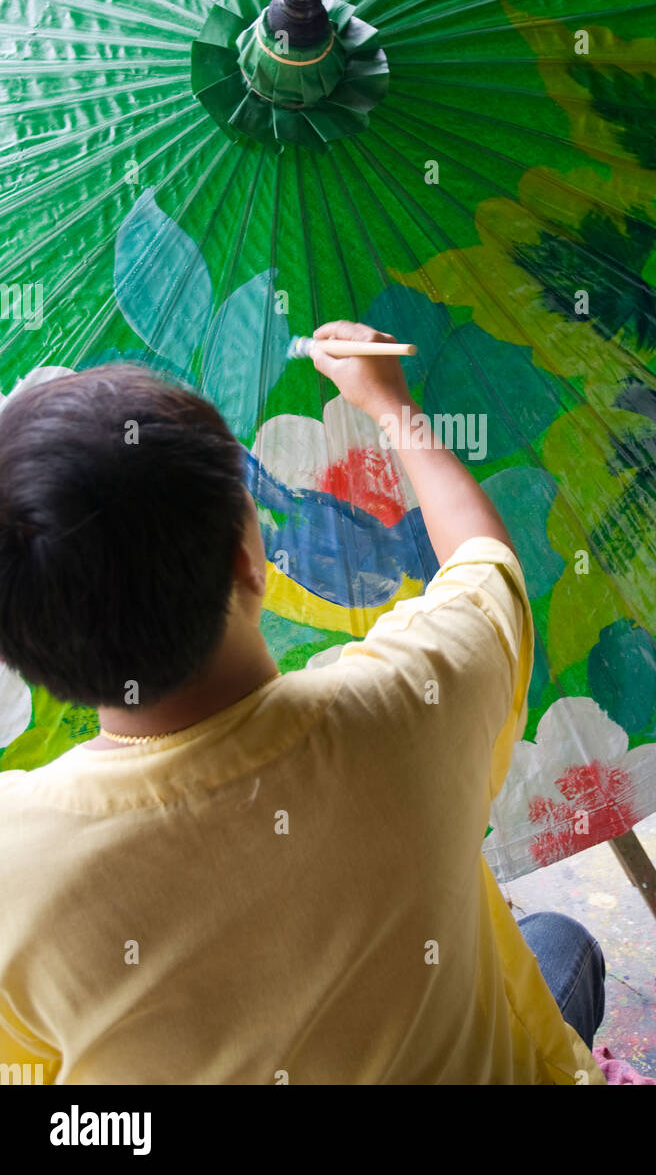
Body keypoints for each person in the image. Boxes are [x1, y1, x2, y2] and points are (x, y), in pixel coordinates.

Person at [0, 321, 605, 1085]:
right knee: (564, 946)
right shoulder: (413, 698)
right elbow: (487, 565)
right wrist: (391, 408)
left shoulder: (13, 863)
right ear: (247, 557)